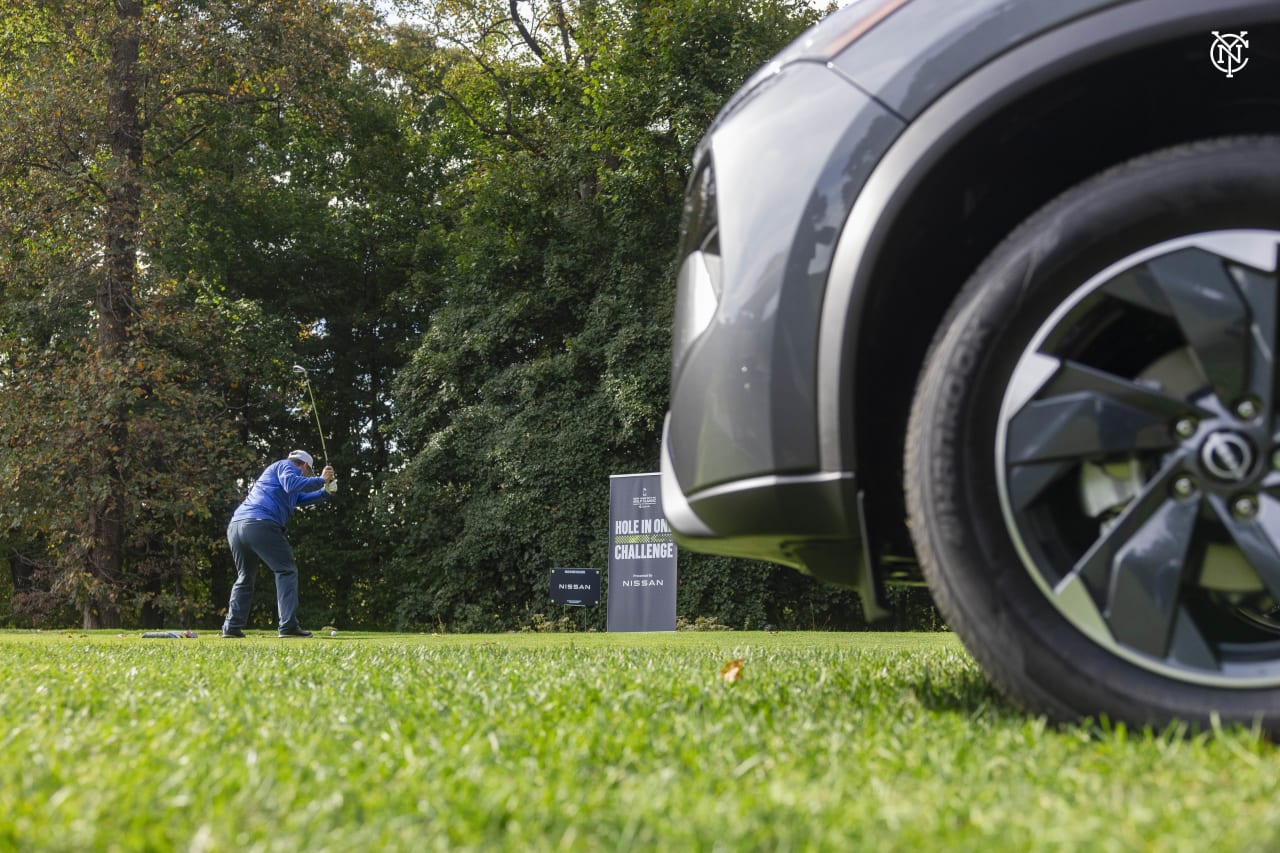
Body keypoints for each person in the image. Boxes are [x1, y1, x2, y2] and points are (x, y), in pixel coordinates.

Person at [222, 450, 335, 638]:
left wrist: (325, 493)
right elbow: (292, 484)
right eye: (309, 472)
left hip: (237, 526)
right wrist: (321, 480)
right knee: (286, 570)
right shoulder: (286, 466)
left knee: (245, 577)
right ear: (304, 466)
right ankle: (288, 626)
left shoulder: (280, 477)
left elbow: (300, 498)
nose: (308, 476)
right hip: (260, 523)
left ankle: (231, 627)